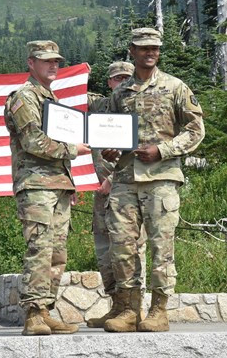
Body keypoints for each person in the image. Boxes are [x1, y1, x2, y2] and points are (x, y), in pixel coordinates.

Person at [101, 28, 205, 333]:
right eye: (144, 48)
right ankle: (130, 310)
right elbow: (111, 132)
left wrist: (162, 149)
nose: (150, 53)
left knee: (162, 246)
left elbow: (196, 129)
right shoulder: (119, 93)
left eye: (155, 48)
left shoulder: (175, 87)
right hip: (125, 179)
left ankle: (159, 311)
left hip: (161, 178)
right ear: (132, 50)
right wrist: (108, 147)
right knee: (121, 247)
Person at [3, 40, 91, 336]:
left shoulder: (49, 99)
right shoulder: (24, 97)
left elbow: (55, 145)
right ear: (31, 63)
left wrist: (69, 181)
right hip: (36, 185)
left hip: (57, 184)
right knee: (40, 249)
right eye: (46, 61)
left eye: (56, 61)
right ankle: (32, 314)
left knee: (57, 253)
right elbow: (33, 142)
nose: (53, 65)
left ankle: (45, 309)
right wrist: (75, 149)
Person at [86, 61, 148, 329]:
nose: (121, 81)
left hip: (128, 192)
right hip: (102, 196)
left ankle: (134, 308)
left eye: (126, 76)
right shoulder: (102, 106)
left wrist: (113, 178)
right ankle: (116, 307)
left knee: (130, 251)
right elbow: (72, 100)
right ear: (109, 82)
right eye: (115, 78)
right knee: (105, 253)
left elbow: (143, 150)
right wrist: (75, 76)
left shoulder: (141, 105)